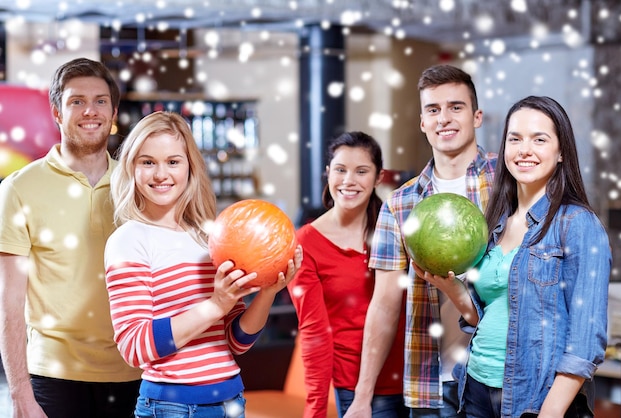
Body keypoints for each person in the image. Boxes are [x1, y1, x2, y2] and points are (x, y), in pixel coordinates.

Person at [418, 95, 611, 418]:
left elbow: (586, 340)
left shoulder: (578, 224)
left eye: (539, 139)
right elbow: (490, 315)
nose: (524, 150)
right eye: (515, 138)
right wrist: (453, 291)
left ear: (561, 151)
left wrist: (550, 413)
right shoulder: (495, 222)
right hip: (476, 388)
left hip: (535, 400)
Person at [104, 110, 303, 418]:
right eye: (148, 162)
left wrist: (268, 292)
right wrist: (215, 305)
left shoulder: (207, 238)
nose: (160, 174)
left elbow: (236, 341)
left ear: (189, 167)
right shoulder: (128, 241)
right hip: (172, 407)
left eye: (173, 161)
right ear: (131, 167)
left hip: (231, 399)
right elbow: (135, 347)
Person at [344, 64, 498, 418]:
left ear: (476, 116)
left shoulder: (507, 183)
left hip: (498, 382)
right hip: (431, 387)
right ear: (422, 123)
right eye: (433, 110)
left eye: (455, 107)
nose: (444, 118)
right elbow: (383, 305)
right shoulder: (400, 203)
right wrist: (362, 396)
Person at [0, 57, 142, 418]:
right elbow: (9, 302)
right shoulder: (19, 189)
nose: (89, 111)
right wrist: (19, 394)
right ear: (57, 113)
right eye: (76, 101)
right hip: (53, 375)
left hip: (135, 371)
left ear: (113, 114)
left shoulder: (139, 187)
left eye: (100, 101)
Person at [287, 131, 409, 418]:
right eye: (340, 170)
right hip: (356, 387)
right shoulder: (305, 243)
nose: (348, 181)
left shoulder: (396, 229)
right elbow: (313, 331)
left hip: (415, 377)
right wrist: (315, 409)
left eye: (362, 171)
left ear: (379, 177)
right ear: (328, 173)